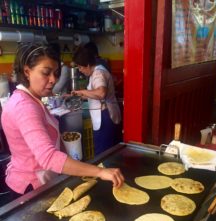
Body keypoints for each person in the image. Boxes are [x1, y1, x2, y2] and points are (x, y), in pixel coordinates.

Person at [1, 42, 124, 199]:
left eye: (56, 73)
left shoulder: (32, 99)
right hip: (30, 186)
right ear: (27, 71)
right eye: (46, 73)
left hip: (43, 179)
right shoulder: (24, 107)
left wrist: (74, 166)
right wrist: (99, 171)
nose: (53, 79)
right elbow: (48, 157)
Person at [72, 47, 122, 156]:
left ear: (88, 65)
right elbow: (94, 95)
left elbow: (101, 93)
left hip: (105, 117)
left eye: (80, 67)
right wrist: (80, 94)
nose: (80, 70)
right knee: (111, 152)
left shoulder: (98, 73)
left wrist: (83, 91)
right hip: (106, 115)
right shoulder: (96, 72)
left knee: (104, 153)